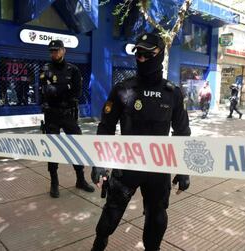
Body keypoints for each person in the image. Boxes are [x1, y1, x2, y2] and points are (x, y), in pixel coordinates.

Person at [91, 32, 191, 251]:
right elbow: (106, 127)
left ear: (160, 55)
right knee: (110, 217)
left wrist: (183, 169)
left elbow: (182, 132)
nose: (142, 59)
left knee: (156, 220)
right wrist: (99, 162)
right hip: (127, 167)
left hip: (159, 169)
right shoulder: (123, 90)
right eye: (138, 54)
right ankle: (99, 244)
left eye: (147, 54)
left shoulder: (173, 93)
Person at [39, 40, 94, 198]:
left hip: (68, 114)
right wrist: (63, 89)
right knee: (53, 150)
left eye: (57, 50)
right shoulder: (45, 69)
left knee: (76, 146)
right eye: (52, 51)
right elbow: (44, 91)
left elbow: (76, 92)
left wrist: (56, 90)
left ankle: (80, 179)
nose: (54, 53)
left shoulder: (73, 70)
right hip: (51, 115)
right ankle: (54, 182)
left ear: (64, 51)